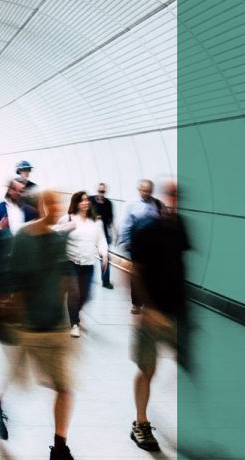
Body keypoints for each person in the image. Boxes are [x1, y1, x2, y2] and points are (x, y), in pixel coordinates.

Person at [0, 190, 78, 460]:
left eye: (59, 204)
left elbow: (66, 278)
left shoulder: (59, 239)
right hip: (27, 327)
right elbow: (13, 280)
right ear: (40, 206)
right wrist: (12, 317)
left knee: (64, 387)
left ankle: (59, 447)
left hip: (55, 327)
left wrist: (72, 314)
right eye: (50, 203)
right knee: (16, 380)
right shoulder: (24, 237)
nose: (55, 209)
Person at [126, 180, 188, 452]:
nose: (175, 202)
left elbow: (180, 266)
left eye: (179, 196)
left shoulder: (182, 227)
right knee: (147, 369)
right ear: (163, 199)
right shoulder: (146, 230)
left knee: (183, 365)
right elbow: (134, 271)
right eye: (172, 196)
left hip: (175, 312)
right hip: (151, 314)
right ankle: (140, 422)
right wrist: (143, 308)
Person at [57, 191, 108, 338]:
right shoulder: (68, 218)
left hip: (88, 263)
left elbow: (101, 240)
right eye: (82, 200)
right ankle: (75, 323)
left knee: (85, 295)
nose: (85, 203)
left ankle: (73, 311)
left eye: (87, 200)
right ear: (76, 203)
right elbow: (55, 233)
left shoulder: (96, 221)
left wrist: (104, 254)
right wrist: (65, 228)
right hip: (71, 262)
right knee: (74, 292)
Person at [119, 179, 162, 314]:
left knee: (151, 274)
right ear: (139, 190)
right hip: (137, 246)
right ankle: (136, 303)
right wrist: (126, 242)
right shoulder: (131, 204)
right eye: (143, 190)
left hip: (153, 246)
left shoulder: (157, 204)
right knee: (137, 274)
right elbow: (125, 224)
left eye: (148, 191)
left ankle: (149, 302)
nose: (146, 193)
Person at [90, 183, 115, 288]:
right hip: (90, 233)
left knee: (105, 257)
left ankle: (105, 281)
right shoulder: (90, 200)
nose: (101, 193)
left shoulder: (108, 203)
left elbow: (110, 219)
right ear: (97, 191)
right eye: (100, 191)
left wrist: (113, 232)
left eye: (103, 191)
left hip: (103, 234)